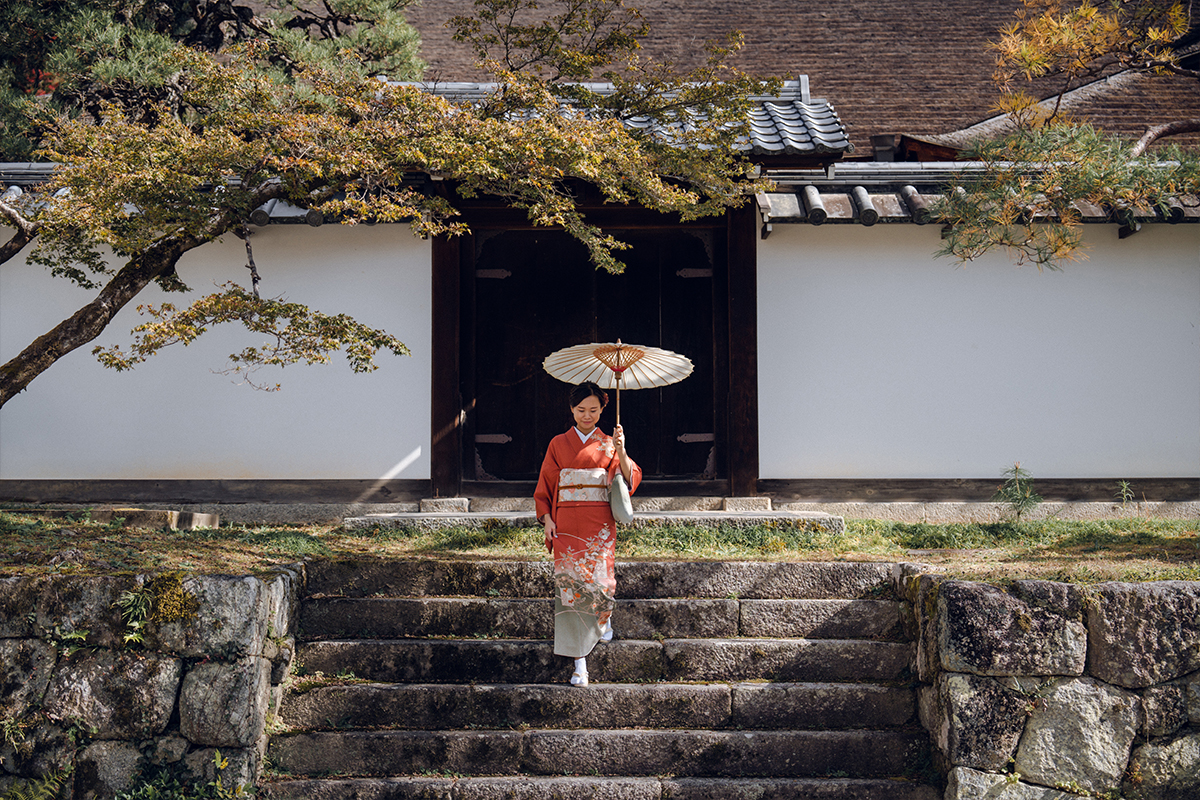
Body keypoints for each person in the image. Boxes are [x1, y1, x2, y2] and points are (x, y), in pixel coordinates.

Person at [534, 381, 641, 688]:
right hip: (566, 523)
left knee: (603, 582)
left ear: (603, 409)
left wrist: (620, 450)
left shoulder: (608, 444)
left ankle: (604, 620)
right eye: (581, 410)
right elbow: (545, 486)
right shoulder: (558, 444)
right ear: (571, 409)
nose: (587, 415)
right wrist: (547, 519)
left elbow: (628, 480)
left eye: (594, 410)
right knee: (571, 590)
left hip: (599, 523)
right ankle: (579, 665)